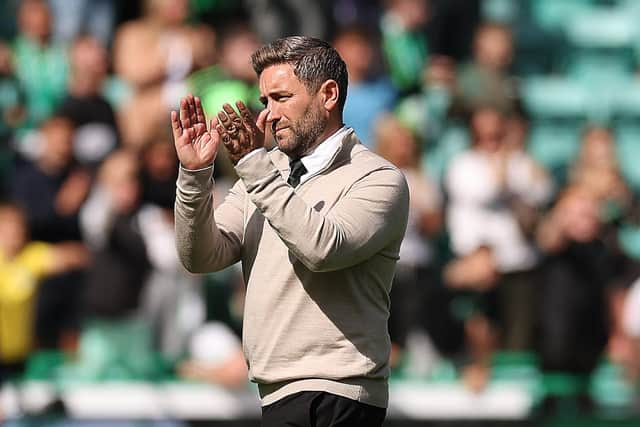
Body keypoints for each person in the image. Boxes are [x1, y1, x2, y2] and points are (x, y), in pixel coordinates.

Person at [172, 36, 409, 426]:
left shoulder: (377, 178)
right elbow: (199, 257)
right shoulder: (264, 175)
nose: (268, 115)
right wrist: (195, 176)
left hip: (340, 392)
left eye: (281, 98)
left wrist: (253, 164)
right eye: (265, 102)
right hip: (277, 391)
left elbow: (321, 249)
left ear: (328, 94)